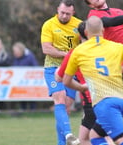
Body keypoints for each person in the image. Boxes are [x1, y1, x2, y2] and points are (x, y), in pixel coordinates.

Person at [56, 21, 123, 145]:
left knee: (118, 139)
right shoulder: (113, 47)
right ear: (103, 31)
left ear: (84, 33)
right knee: (95, 137)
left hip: (101, 101)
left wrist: (81, 87)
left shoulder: (77, 52)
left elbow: (61, 79)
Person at [40, 0, 82, 145]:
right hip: (53, 68)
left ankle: (62, 142)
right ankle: (69, 134)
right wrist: (68, 55)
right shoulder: (49, 24)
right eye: (62, 12)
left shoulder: (79, 25)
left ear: (73, 13)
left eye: (68, 14)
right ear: (58, 9)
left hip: (71, 70)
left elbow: (86, 45)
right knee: (60, 97)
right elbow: (46, 49)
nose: (64, 16)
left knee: (67, 107)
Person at [12, 41, 38, 111]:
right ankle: (23, 109)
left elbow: (35, 66)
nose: (15, 53)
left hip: (30, 81)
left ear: (21, 50)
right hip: (20, 82)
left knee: (32, 95)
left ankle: (33, 110)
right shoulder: (15, 58)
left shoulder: (30, 56)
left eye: (16, 51)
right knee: (21, 95)